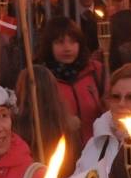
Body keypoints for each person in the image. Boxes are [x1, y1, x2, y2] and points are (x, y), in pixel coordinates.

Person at [37, 16, 105, 146]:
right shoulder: (42, 78)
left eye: (73, 42)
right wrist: (61, 122)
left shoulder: (95, 71)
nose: (67, 48)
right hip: (60, 148)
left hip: (97, 147)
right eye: (60, 42)